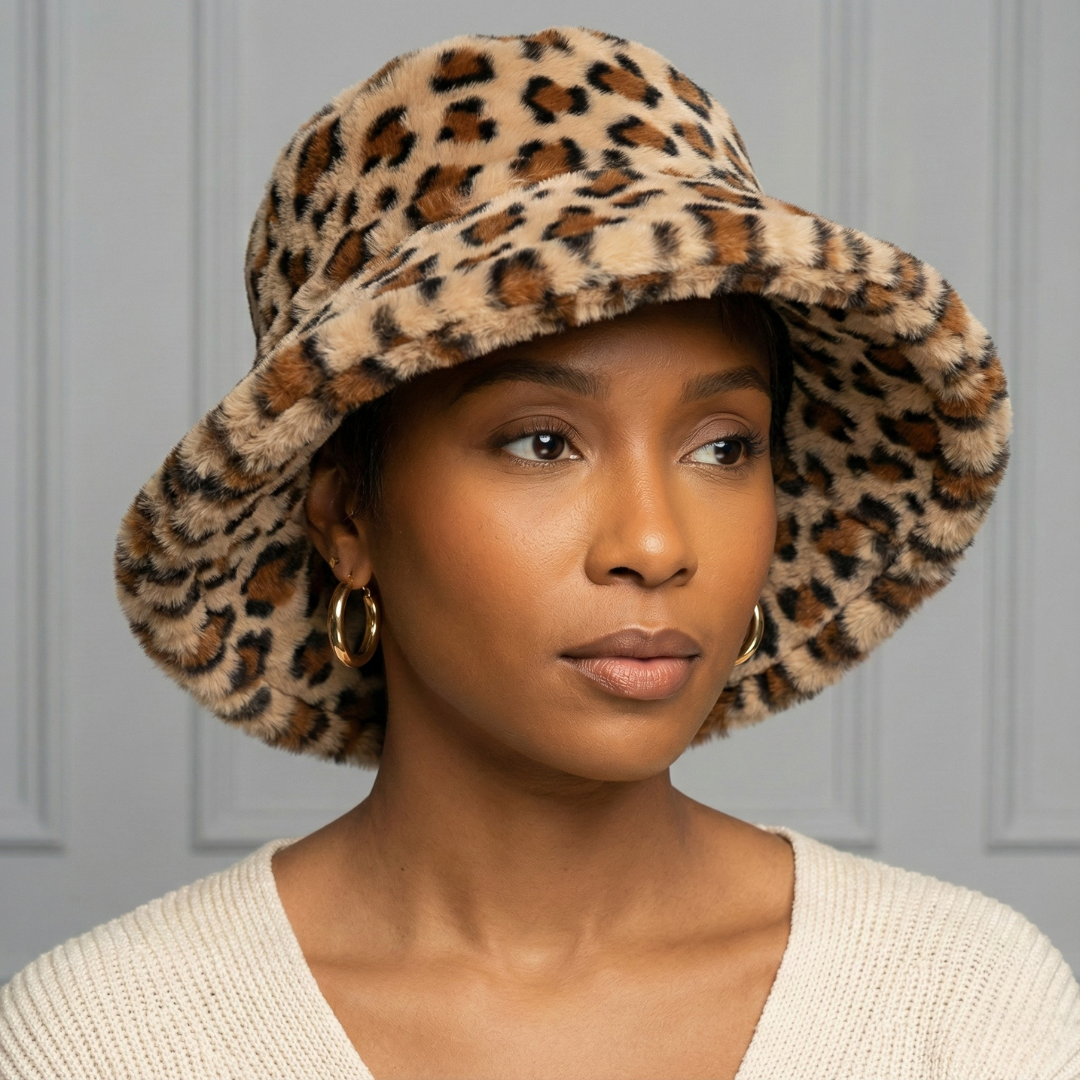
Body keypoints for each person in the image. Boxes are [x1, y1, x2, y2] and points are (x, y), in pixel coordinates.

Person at [1, 25, 1077, 1080]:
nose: (655, 545)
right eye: (542, 443)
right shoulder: (102, 1040)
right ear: (347, 521)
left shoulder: (964, 1002)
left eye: (723, 447)